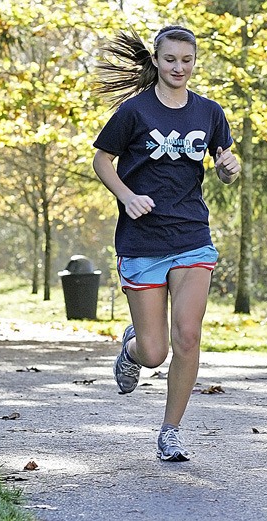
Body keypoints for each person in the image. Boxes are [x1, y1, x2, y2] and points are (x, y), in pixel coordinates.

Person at [92, 26, 241, 462]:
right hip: (142, 240)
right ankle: (133, 346)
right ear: (156, 61)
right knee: (155, 353)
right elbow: (102, 160)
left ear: (195, 62)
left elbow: (224, 167)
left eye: (187, 59)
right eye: (171, 59)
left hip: (192, 236)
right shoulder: (134, 112)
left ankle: (170, 431)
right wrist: (127, 195)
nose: (179, 67)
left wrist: (229, 168)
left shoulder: (210, 113)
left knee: (189, 336)